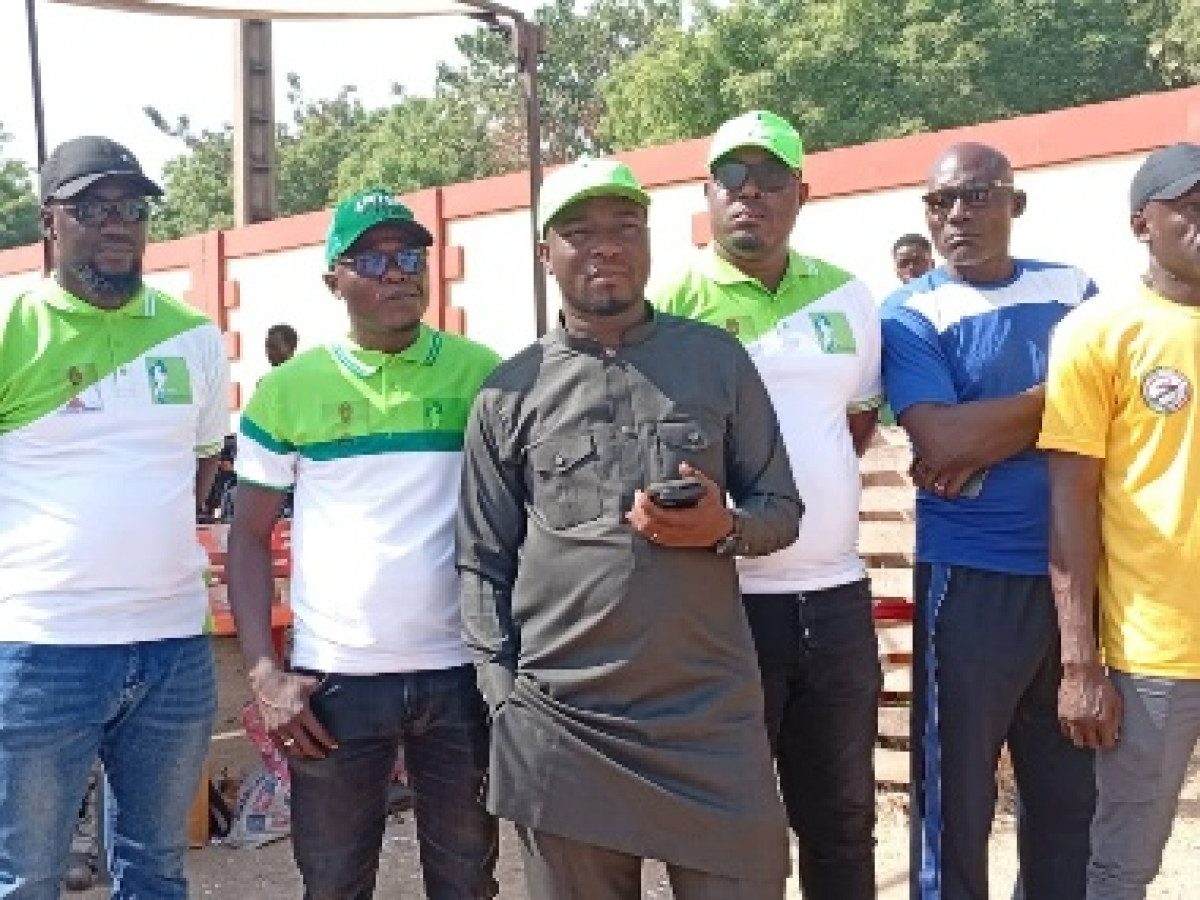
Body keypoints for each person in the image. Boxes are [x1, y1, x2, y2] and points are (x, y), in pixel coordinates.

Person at [457, 157, 802, 900]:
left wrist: (724, 526)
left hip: (707, 717)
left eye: (624, 228)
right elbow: (481, 560)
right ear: (545, 253)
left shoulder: (713, 359)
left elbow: (782, 509)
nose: (604, 246)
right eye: (579, 232)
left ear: (648, 243)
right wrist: (503, 696)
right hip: (563, 720)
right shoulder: (508, 392)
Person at [228, 188, 501, 900]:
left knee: (467, 878)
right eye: (372, 258)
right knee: (334, 879)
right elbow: (249, 538)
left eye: (410, 254)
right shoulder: (288, 392)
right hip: (333, 684)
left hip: (459, 674)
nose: (396, 271)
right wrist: (266, 675)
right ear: (333, 280)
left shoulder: (483, 375)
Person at [655, 110, 883, 900]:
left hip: (836, 600)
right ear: (707, 195)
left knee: (844, 818)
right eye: (732, 180)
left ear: (801, 193)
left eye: (770, 180)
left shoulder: (849, 299)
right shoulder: (669, 300)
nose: (750, 195)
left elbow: (853, 423)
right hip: (721, 604)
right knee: (732, 823)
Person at [0, 135, 229, 898]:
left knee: (156, 871)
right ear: (50, 222)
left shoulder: (192, 336)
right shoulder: (11, 323)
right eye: (92, 207)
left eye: (131, 207)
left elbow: (203, 464)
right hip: (41, 651)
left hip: (172, 651)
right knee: (25, 876)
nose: (116, 223)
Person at [881, 142, 1098, 900]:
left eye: (976, 196)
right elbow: (941, 443)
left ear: (1016, 203)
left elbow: (1118, 409)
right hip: (968, 581)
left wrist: (995, 429)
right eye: (939, 202)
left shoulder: (1072, 288)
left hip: (1079, 579)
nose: (956, 216)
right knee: (956, 797)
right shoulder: (909, 311)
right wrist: (1065, 393)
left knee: (1071, 795)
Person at [1039, 142, 1200, 900]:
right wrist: (1080, 663)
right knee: (1125, 860)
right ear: (1144, 222)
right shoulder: (1098, 332)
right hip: (1155, 653)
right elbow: (1070, 503)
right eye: (1191, 207)